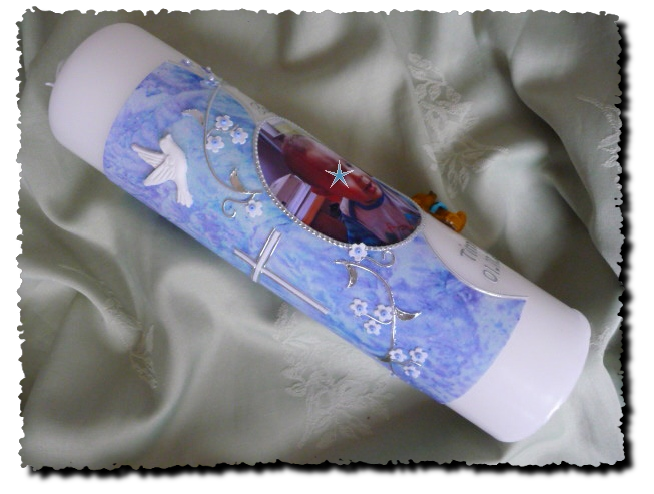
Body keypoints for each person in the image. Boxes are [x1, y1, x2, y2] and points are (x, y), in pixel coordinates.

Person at [280, 133, 420, 246]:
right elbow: (371, 252)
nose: (357, 175)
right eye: (340, 177)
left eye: (349, 163)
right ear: (326, 192)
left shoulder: (385, 174)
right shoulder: (354, 218)